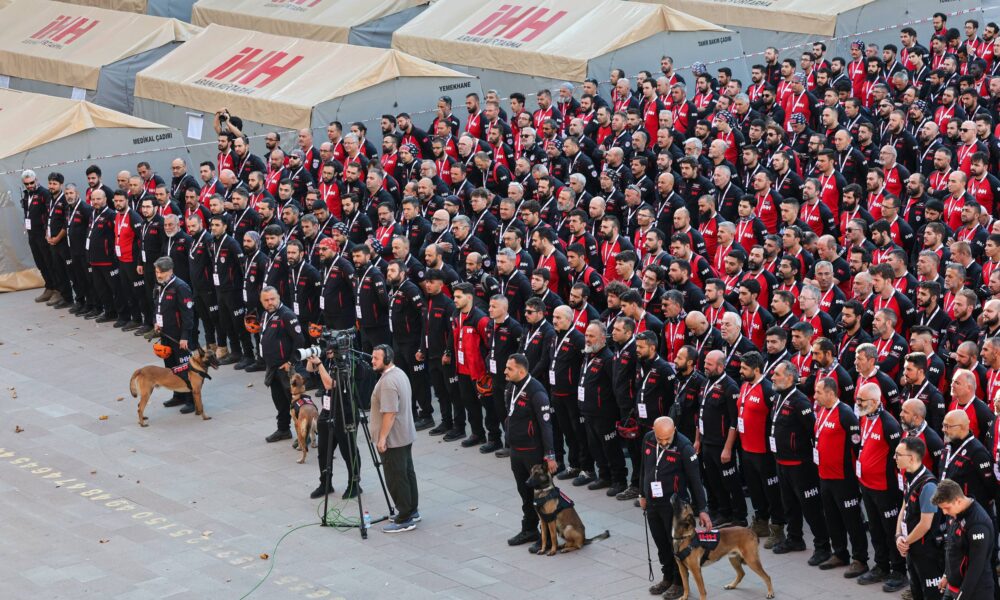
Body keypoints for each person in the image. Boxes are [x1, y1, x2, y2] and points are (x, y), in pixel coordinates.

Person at [641, 416, 710, 600]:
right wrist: (642, 494)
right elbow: (644, 468)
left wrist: (703, 509)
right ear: (654, 432)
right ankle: (667, 577)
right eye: (660, 439)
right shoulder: (648, 438)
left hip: (674, 506)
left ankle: (679, 583)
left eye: (667, 439)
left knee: (677, 547)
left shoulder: (684, 447)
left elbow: (696, 481)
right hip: (653, 502)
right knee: (661, 543)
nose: (664, 443)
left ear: (674, 431)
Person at [503, 353, 557, 551]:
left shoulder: (536, 391)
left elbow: (546, 426)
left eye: (509, 368)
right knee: (524, 492)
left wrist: (550, 455)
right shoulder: (511, 387)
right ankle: (529, 529)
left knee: (542, 496)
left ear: (521, 371)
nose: (505, 371)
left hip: (533, 452)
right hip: (516, 450)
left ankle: (548, 537)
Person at [370, 345, 420, 533]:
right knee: (407, 473)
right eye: (373, 357)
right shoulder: (399, 373)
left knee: (396, 478)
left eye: (376, 358)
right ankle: (412, 510)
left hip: (394, 439)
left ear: (387, 359)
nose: (372, 361)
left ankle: (404, 518)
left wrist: (382, 438)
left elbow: (389, 413)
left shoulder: (388, 382)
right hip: (404, 435)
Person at [306, 348, 362, 501]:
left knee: (348, 450)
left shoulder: (347, 362)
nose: (327, 351)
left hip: (344, 412)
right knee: (324, 450)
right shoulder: (327, 359)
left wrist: (320, 365)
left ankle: (354, 484)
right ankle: (325, 483)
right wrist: (311, 358)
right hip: (327, 411)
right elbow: (310, 370)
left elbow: (329, 384)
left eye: (330, 348)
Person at [893, 437, 943, 600]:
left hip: (925, 551)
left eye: (898, 454)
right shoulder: (908, 476)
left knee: (931, 594)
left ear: (912, 458)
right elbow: (903, 507)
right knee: (916, 591)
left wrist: (905, 542)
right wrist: (898, 536)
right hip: (911, 547)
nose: (894, 457)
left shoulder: (928, 485)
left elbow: (925, 524)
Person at [933, 479, 996, 600]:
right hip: (954, 586)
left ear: (958, 500)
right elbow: (952, 547)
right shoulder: (957, 511)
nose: (944, 512)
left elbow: (975, 569)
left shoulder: (978, 524)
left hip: (975, 592)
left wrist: (961, 597)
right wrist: (946, 574)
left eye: (946, 508)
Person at [259, 286, 305, 443]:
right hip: (273, 367)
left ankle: (304, 434)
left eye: (272, 299)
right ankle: (283, 429)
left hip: (287, 368)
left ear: (278, 298)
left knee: (296, 401)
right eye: (266, 300)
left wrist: (290, 362)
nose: (270, 302)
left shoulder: (287, 315)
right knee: (280, 401)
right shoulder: (265, 315)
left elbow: (299, 340)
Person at [151, 257, 195, 413]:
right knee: (170, 368)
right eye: (157, 272)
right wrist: (156, 322)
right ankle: (178, 395)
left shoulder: (181, 287)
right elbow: (157, 306)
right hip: (165, 334)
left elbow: (188, 315)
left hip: (179, 337)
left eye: (161, 272)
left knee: (184, 369)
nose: (158, 275)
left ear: (170, 271)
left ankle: (191, 400)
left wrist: (185, 336)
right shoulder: (160, 285)